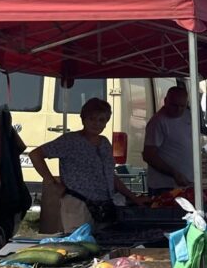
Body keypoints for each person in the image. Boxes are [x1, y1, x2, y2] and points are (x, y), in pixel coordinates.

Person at [30, 97, 148, 233]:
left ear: (106, 122)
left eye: (101, 120)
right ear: (83, 119)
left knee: (104, 246)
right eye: (91, 119)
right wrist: (51, 182)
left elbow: (111, 175)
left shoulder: (104, 143)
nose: (96, 124)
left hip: (105, 205)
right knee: (80, 246)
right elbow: (35, 155)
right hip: (78, 204)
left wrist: (133, 197)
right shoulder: (70, 141)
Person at [142, 86, 194, 192]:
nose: (178, 110)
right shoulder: (157, 122)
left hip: (186, 184)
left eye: (182, 106)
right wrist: (174, 173)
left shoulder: (188, 115)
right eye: (174, 105)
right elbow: (149, 155)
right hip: (164, 186)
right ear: (165, 101)